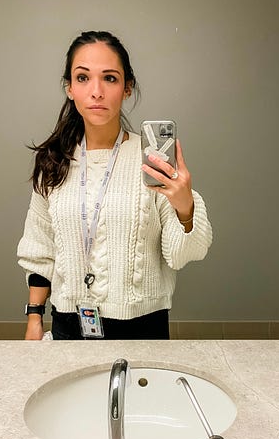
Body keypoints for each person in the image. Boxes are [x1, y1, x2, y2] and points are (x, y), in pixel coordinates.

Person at [17, 30, 212, 340]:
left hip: (142, 329)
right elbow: (40, 249)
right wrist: (34, 318)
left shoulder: (152, 162)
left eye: (109, 78)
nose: (96, 91)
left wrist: (185, 207)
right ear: (70, 88)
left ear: (127, 88)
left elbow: (183, 254)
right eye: (83, 78)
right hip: (69, 324)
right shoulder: (54, 162)